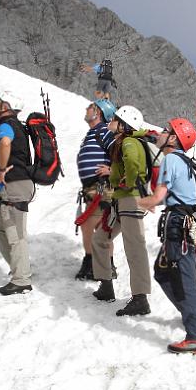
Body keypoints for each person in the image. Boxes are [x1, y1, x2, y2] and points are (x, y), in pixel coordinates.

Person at [137, 118, 196, 354]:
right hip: (182, 224)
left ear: (174, 139)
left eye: (167, 130)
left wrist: (138, 201)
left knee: (182, 278)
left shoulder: (170, 159)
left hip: (178, 226)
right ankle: (191, 314)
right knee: (163, 272)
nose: (161, 132)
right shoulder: (186, 162)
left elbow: (158, 197)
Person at [91, 105, 152, 316]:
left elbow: (133, 162)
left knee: (135, 248)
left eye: (115, 119)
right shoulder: (124, 142)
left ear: (124, 125)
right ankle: (106, 286)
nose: (111, 121)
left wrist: (128, 180)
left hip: (130, 200)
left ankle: (140, 299)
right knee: (100, 238)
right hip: (121, 201)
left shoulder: (128, 141)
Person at [0, 92, 35, 295]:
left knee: (15, 234)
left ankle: (21, 280)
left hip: (14, 185)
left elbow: (5, 143)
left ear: (5, 106)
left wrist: (1, 170)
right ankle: (20, 267)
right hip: (19, 184)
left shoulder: (6, 125)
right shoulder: (17, 125)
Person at [75, 99, 117, 280]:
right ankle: (105, 265)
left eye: (90, 107)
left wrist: (112, 170)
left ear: (98, 112)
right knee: (101, 227)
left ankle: (93, 263)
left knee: (90, 226)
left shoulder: (104, 130)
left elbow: (118, 152)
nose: (86, 109)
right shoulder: (93, 132)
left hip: (101, 187)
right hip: (93, 188)